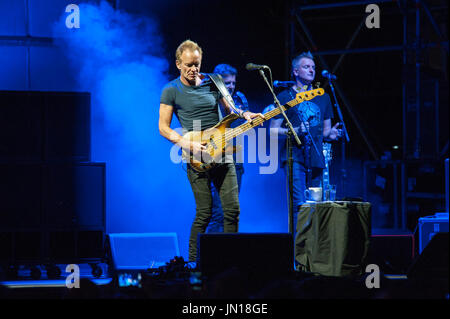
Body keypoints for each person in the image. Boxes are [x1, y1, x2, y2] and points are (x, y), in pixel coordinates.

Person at [158, 40, 263, 261]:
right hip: (196, 156)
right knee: (204, 214)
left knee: (232, 211)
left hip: (223, 151)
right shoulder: (170, 90)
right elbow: (163, 127)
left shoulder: (214, 81)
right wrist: (187, 144)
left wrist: (245, 115)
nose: (193, 69)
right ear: (178, 64)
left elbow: (230, 108)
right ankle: (193, 264)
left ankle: (228, 262)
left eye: (196, 64)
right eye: (188, 64)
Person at [269, 51, 341, 217]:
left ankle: (314, 242)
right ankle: (298, 243)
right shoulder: (285, 96)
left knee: (316, 206)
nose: (311, 70)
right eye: (306, 67)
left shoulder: (323, 97)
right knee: (299, 205)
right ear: (295, 71)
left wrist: (333, 134)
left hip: (316, 158)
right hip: (294, 157)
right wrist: (294, 131)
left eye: (313, 67)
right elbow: (273, 130)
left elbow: (325, 132)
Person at [206, 63, 250, 233]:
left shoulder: (239, 99)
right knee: (218, 212)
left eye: (233, 82)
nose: (231, 86)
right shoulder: (209, 99)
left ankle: (228, 255)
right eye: (227, 83)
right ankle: (208, 257)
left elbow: (243, 126)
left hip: (236, 160)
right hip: (215, 161)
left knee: (232, 213)